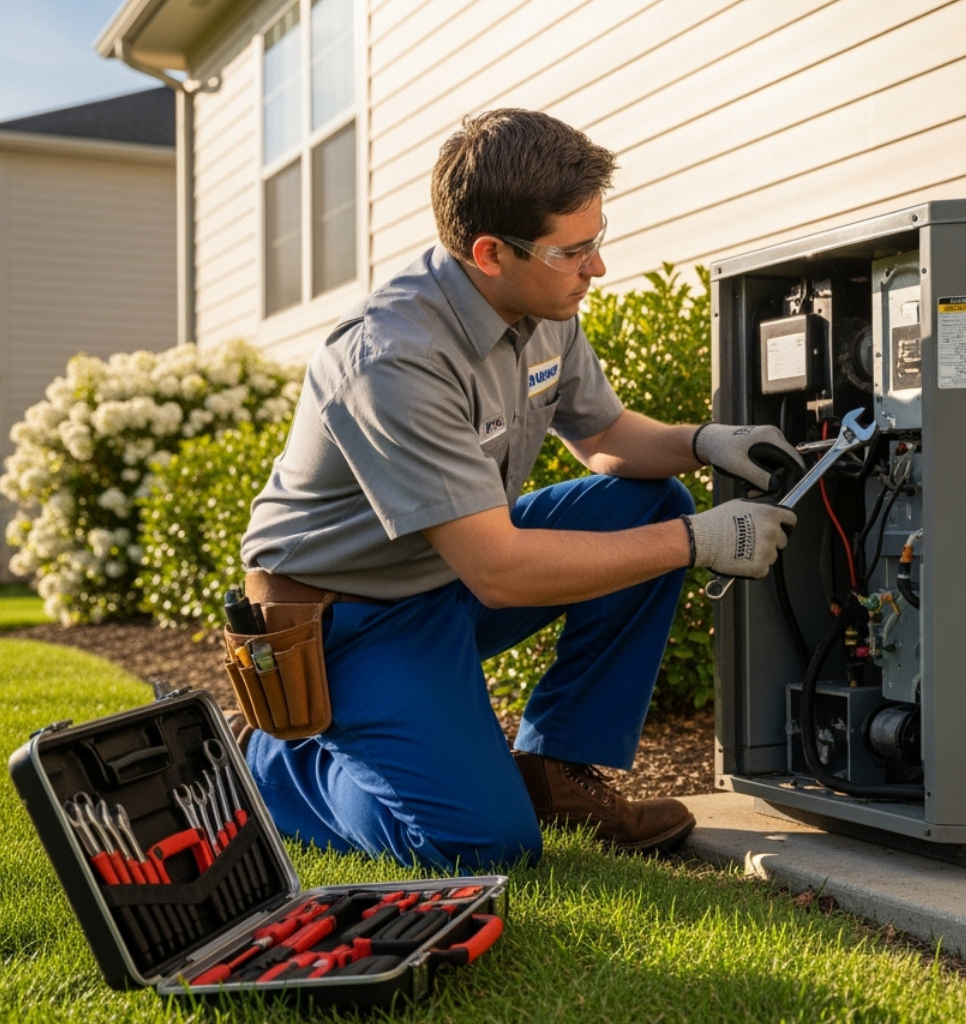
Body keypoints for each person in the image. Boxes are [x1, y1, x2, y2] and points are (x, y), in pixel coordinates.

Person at [238, 109, 801, 872]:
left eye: (597, 238)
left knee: (654, 499)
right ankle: (278, 770)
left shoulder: (544, 305)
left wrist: (703, 444)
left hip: (447, 576)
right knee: (481, 843)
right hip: (349, 619)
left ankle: (556, 770)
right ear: (489, 252)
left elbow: (604, 437)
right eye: (575, 251)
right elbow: (500, 574)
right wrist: (699, 543)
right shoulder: (392, 358)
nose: (595, 268)